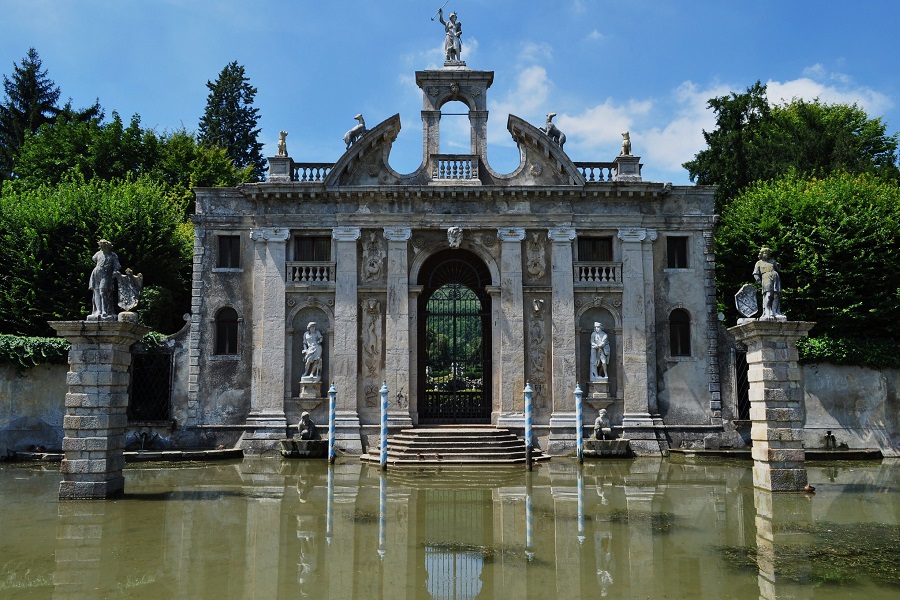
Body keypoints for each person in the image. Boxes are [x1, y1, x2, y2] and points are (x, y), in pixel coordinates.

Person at [88, 239, 121, 320]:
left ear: (108, 246)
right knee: (96, 292)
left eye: (104, 245)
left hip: (106, 274)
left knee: (103, 291)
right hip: (96, 273)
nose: (102, 247)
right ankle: (98, 310)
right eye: (101, 245)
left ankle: (105, 310)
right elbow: (94, 259)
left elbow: (117, 266)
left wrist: (114, 272)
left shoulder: (113, 255)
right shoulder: (98, 254)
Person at [753, 247, 783, 319]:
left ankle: (775, 311)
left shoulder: (772, 261)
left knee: (776, 295)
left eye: (768, 253)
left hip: (775, 277)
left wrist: (777, 265)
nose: (767, 255)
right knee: (768, 295)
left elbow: (778, 268)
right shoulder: (759, 263)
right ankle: (767, 311)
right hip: (766, 278)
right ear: (762, 254)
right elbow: (755, 274)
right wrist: (760, 282)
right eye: (765, 253)